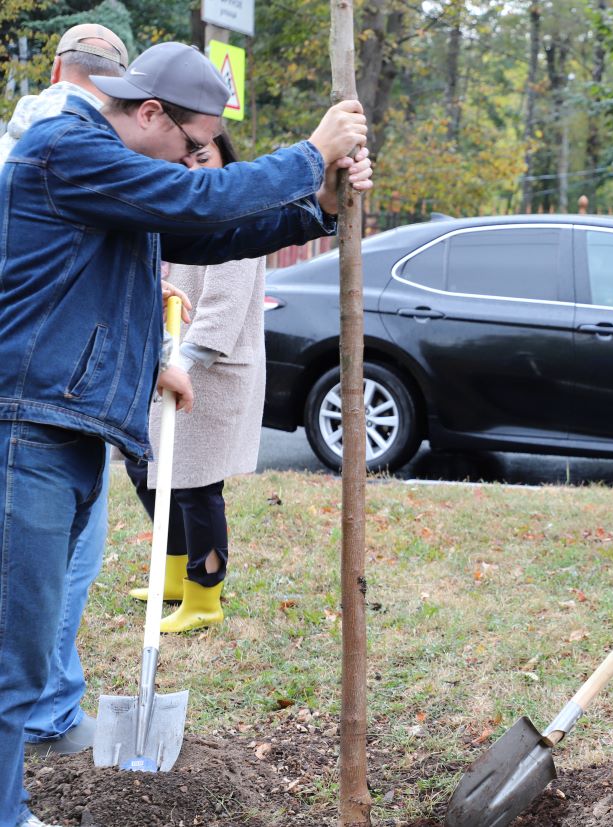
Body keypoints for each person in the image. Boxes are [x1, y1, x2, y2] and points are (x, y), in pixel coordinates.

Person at [0, 41, 372, 827]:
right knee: (13, 662)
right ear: (148, 113)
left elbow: (204, 236)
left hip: (63, 429)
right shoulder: (67, 148)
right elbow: (197, 204)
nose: (196, 160)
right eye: (192, 144)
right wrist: (311, 154)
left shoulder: (105, 174)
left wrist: (320, 209)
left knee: (23, 657)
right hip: (24, 430)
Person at [0, 23, 129, 764]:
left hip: (50, 391)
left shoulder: (23, 141)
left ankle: (49, 705)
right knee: (56, 569)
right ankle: (44, 715)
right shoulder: (75, 148)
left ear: (54, 66)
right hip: (42, 396)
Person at [123, 129, 269, 634]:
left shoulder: (236, 223)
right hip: (175, 363)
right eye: (185, 159)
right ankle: (172, 577)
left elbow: (222, 312)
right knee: (147, 472)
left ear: (227, 159)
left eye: (202, 157)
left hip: (213, 370)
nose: (191, 169)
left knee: (196, 487)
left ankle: (205, 596)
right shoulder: (192, 218)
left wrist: (183, 362)